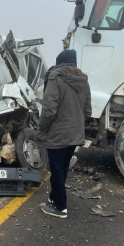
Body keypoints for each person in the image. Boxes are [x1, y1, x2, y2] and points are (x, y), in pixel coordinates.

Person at [36, 50, 92, 219]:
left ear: (60, 61)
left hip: (58, 133)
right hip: (75, 133)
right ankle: (55, 197)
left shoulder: (55, 77)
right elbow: (88, 110)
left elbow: (49, 110)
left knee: (57, 170)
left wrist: (42, 130)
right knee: (62, 169)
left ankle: (60, 208)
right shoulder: (84, 80)